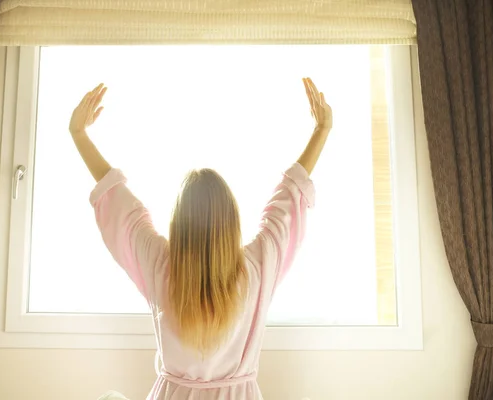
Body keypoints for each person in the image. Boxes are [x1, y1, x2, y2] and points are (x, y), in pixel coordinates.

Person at [69, 78, 332, 400]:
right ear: (231, 221)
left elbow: (120, 202)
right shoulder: (257, 266)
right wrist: (321, 131)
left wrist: (79, 135)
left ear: (179, 223)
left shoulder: (159, 263)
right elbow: (288, 201)